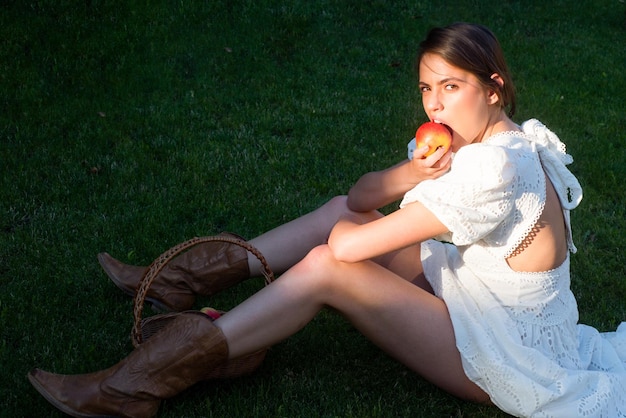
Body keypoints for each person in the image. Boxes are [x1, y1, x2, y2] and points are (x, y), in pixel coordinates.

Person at [28, 22, 626, 417]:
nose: (436, 104)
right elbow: (359, 196)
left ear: (493, 87)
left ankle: (134, 386)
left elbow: (350, 249)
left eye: (452, 86)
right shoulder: (501, 140)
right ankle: (182, 283)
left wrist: (347, 236)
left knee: (327, 267)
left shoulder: (492, 169)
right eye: (426, 89)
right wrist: (414, 175)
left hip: (505, 352)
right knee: (336, 216)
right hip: (482, 296)